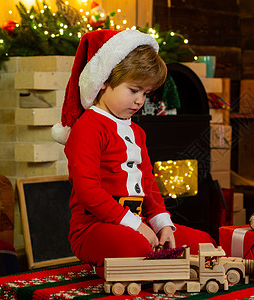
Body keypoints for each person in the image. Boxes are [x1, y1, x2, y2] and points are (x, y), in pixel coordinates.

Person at [52, 29, 216, 277]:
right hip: (94, 227)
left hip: (139, 223)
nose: (139, 101)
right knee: (136, 247)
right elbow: (87, 189)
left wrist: (162, 225)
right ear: (104, 80)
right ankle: (120, 265)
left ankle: (149, 265)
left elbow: (147, 182)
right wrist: (136, 225)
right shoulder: (88, 126)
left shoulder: (137, 132)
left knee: (204, 242)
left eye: (145, 93)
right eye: (134, 90)